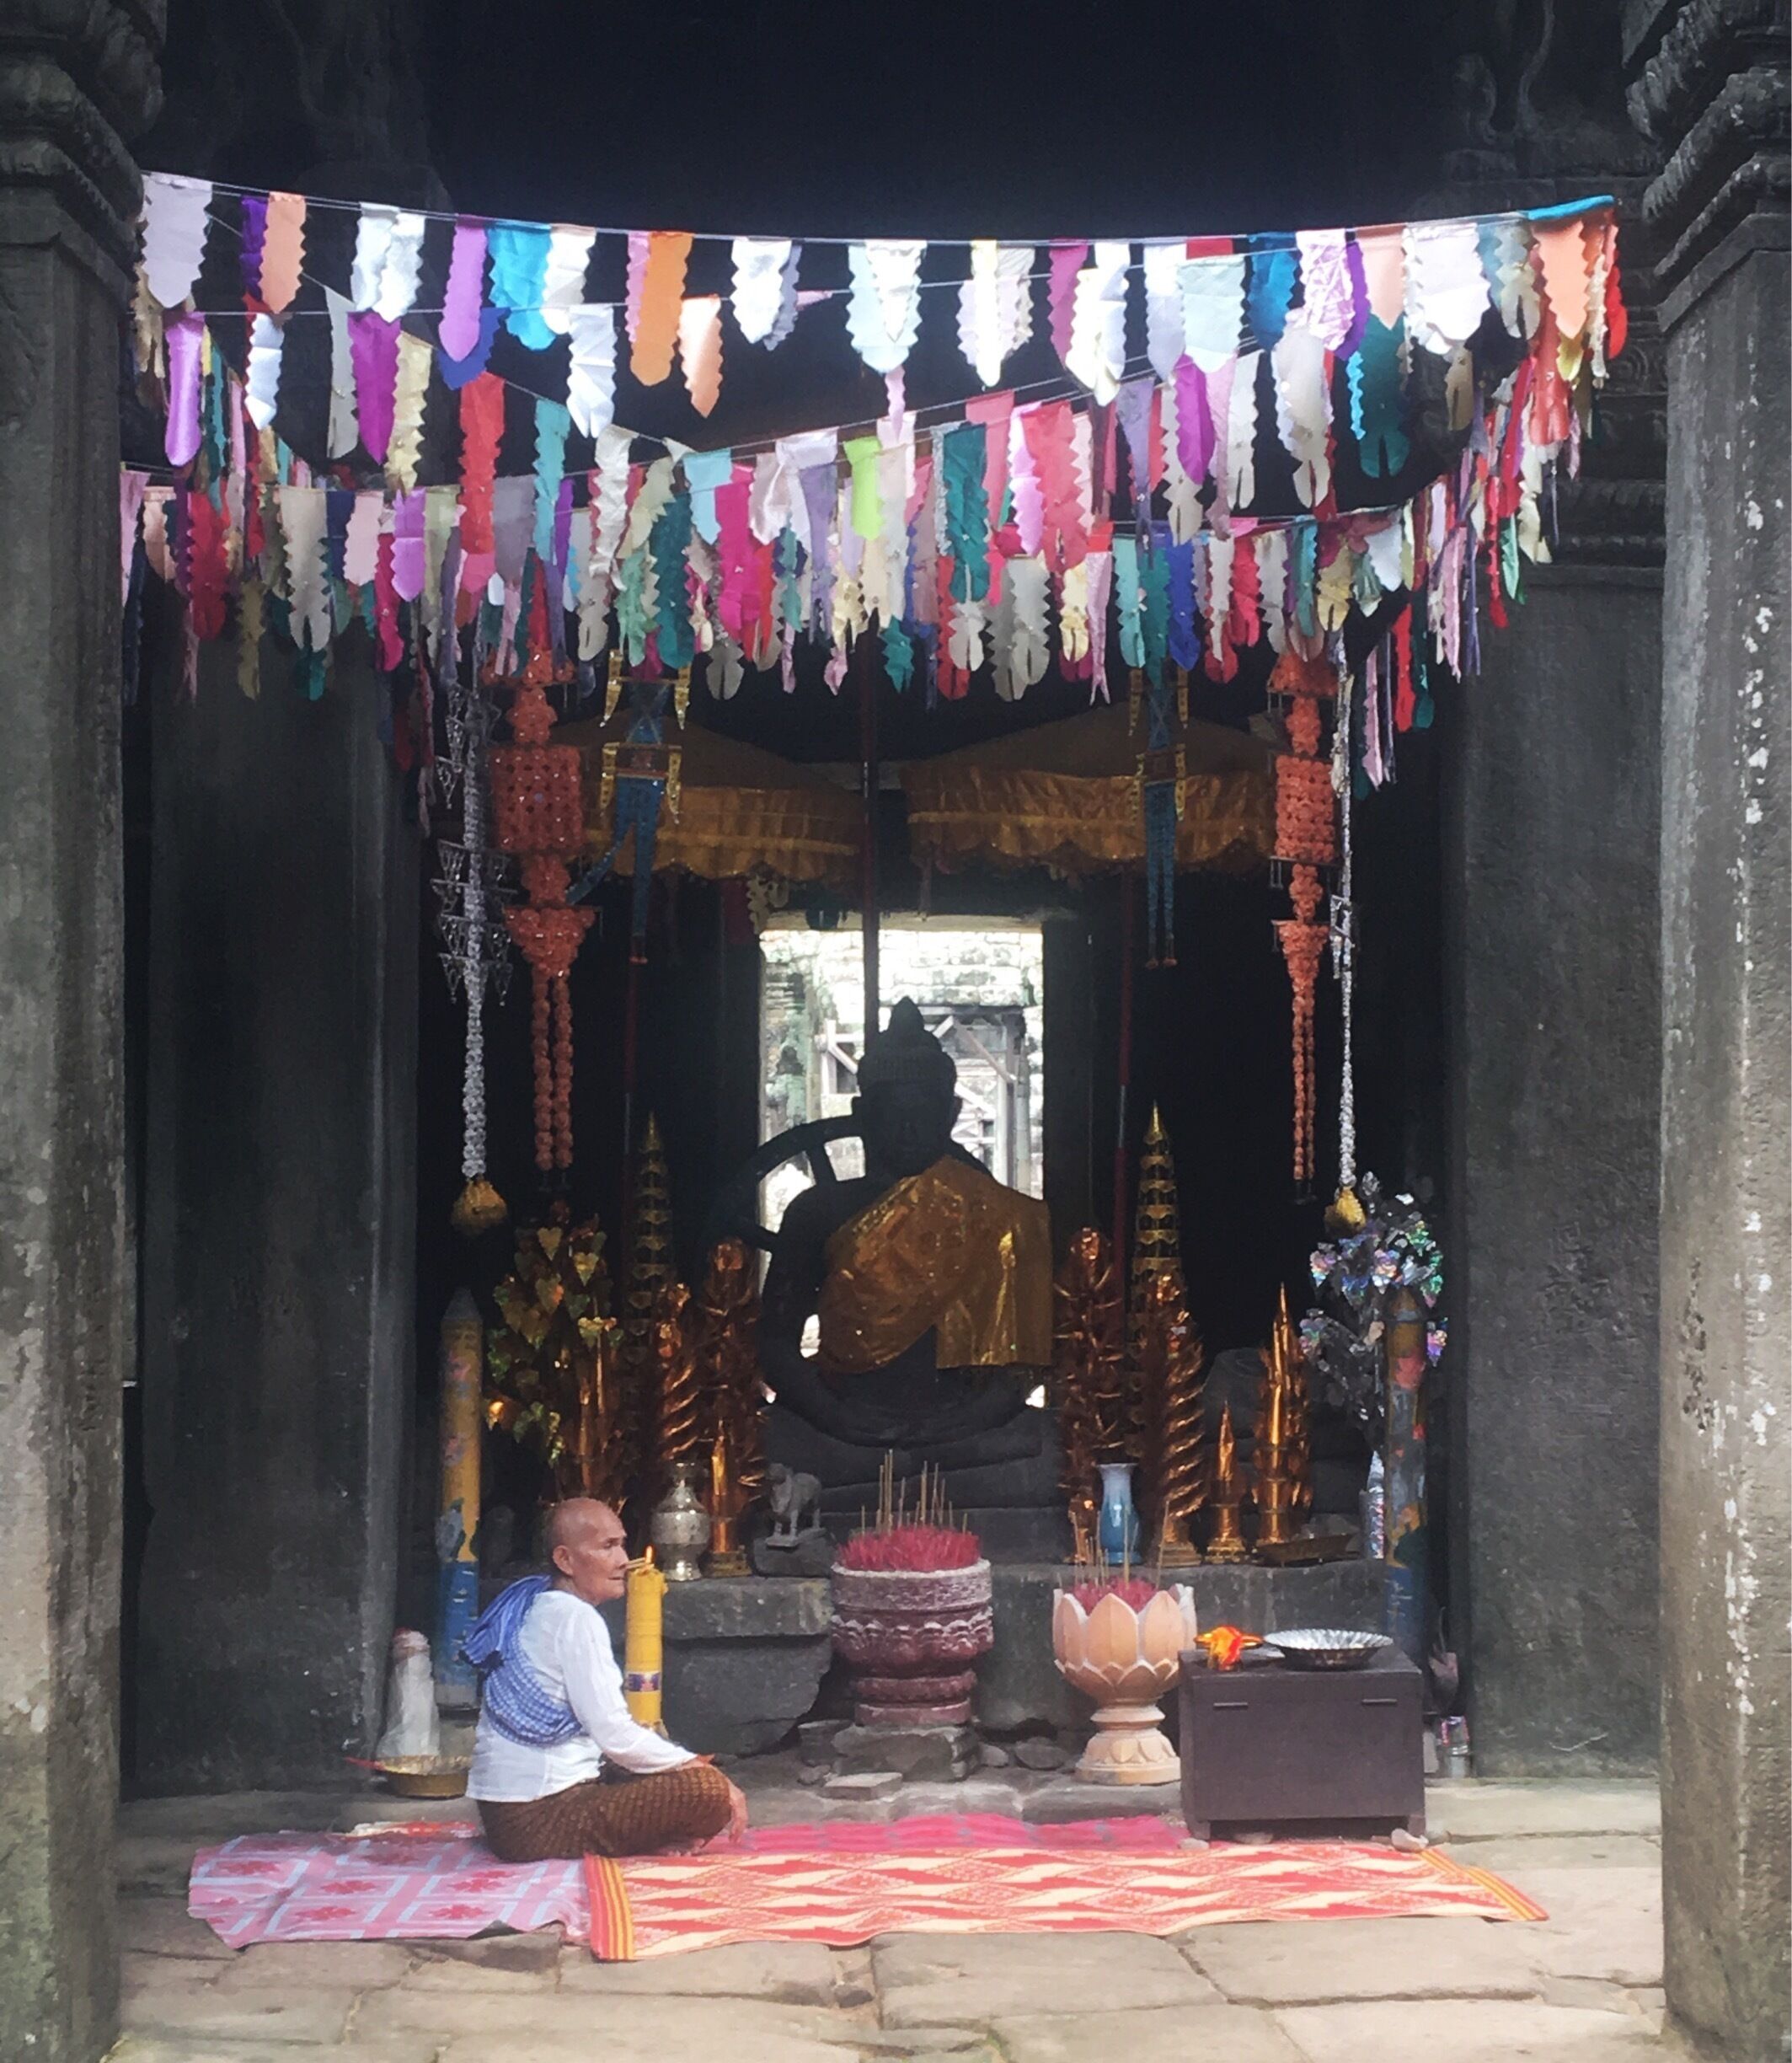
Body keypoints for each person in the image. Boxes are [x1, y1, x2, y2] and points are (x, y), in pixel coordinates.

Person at [464, 1498, 747, 1862]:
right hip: (537, 1819)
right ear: (565, 1560)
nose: (622, 1561)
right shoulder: (575, 1618)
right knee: (706, 1791)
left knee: (655, 1767)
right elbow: (613, 1734)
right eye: (607, 1547)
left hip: (507, 1815)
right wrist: (693, 1765)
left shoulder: (536, 1603)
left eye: (622, 1544)